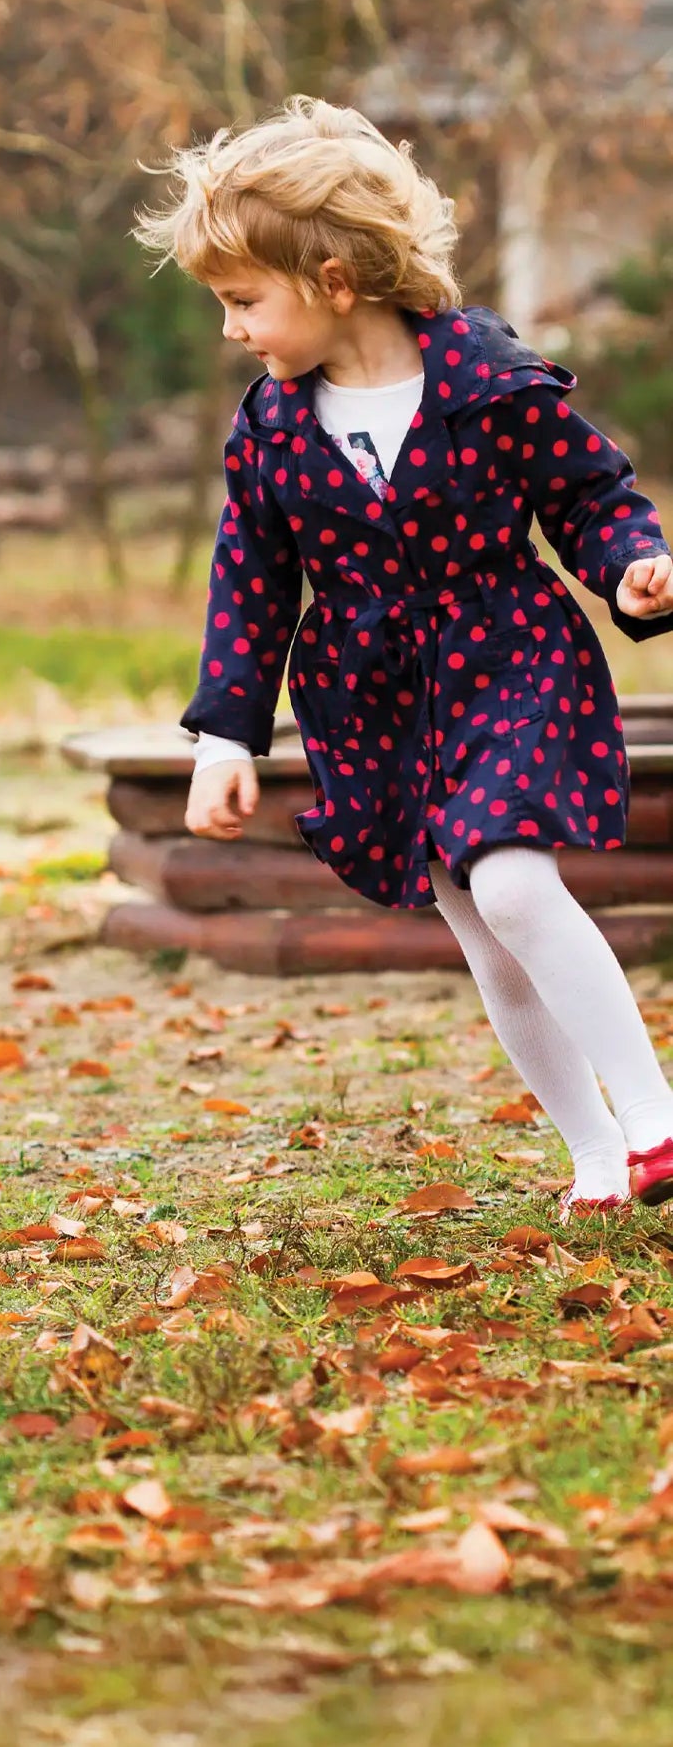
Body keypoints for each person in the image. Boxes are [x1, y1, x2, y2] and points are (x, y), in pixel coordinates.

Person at [134, 95, 673, 1220]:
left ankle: (655, 1117)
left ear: (332, 281)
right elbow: (250, 583)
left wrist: (628, 563)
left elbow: (584, 494)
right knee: (483, 932)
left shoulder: (482, 374)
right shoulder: (270, 427)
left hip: (509, 654)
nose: (231, 327)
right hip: (371, 697)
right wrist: (224, 736)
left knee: (516, 885)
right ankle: (593, 1155)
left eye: (243, 300)